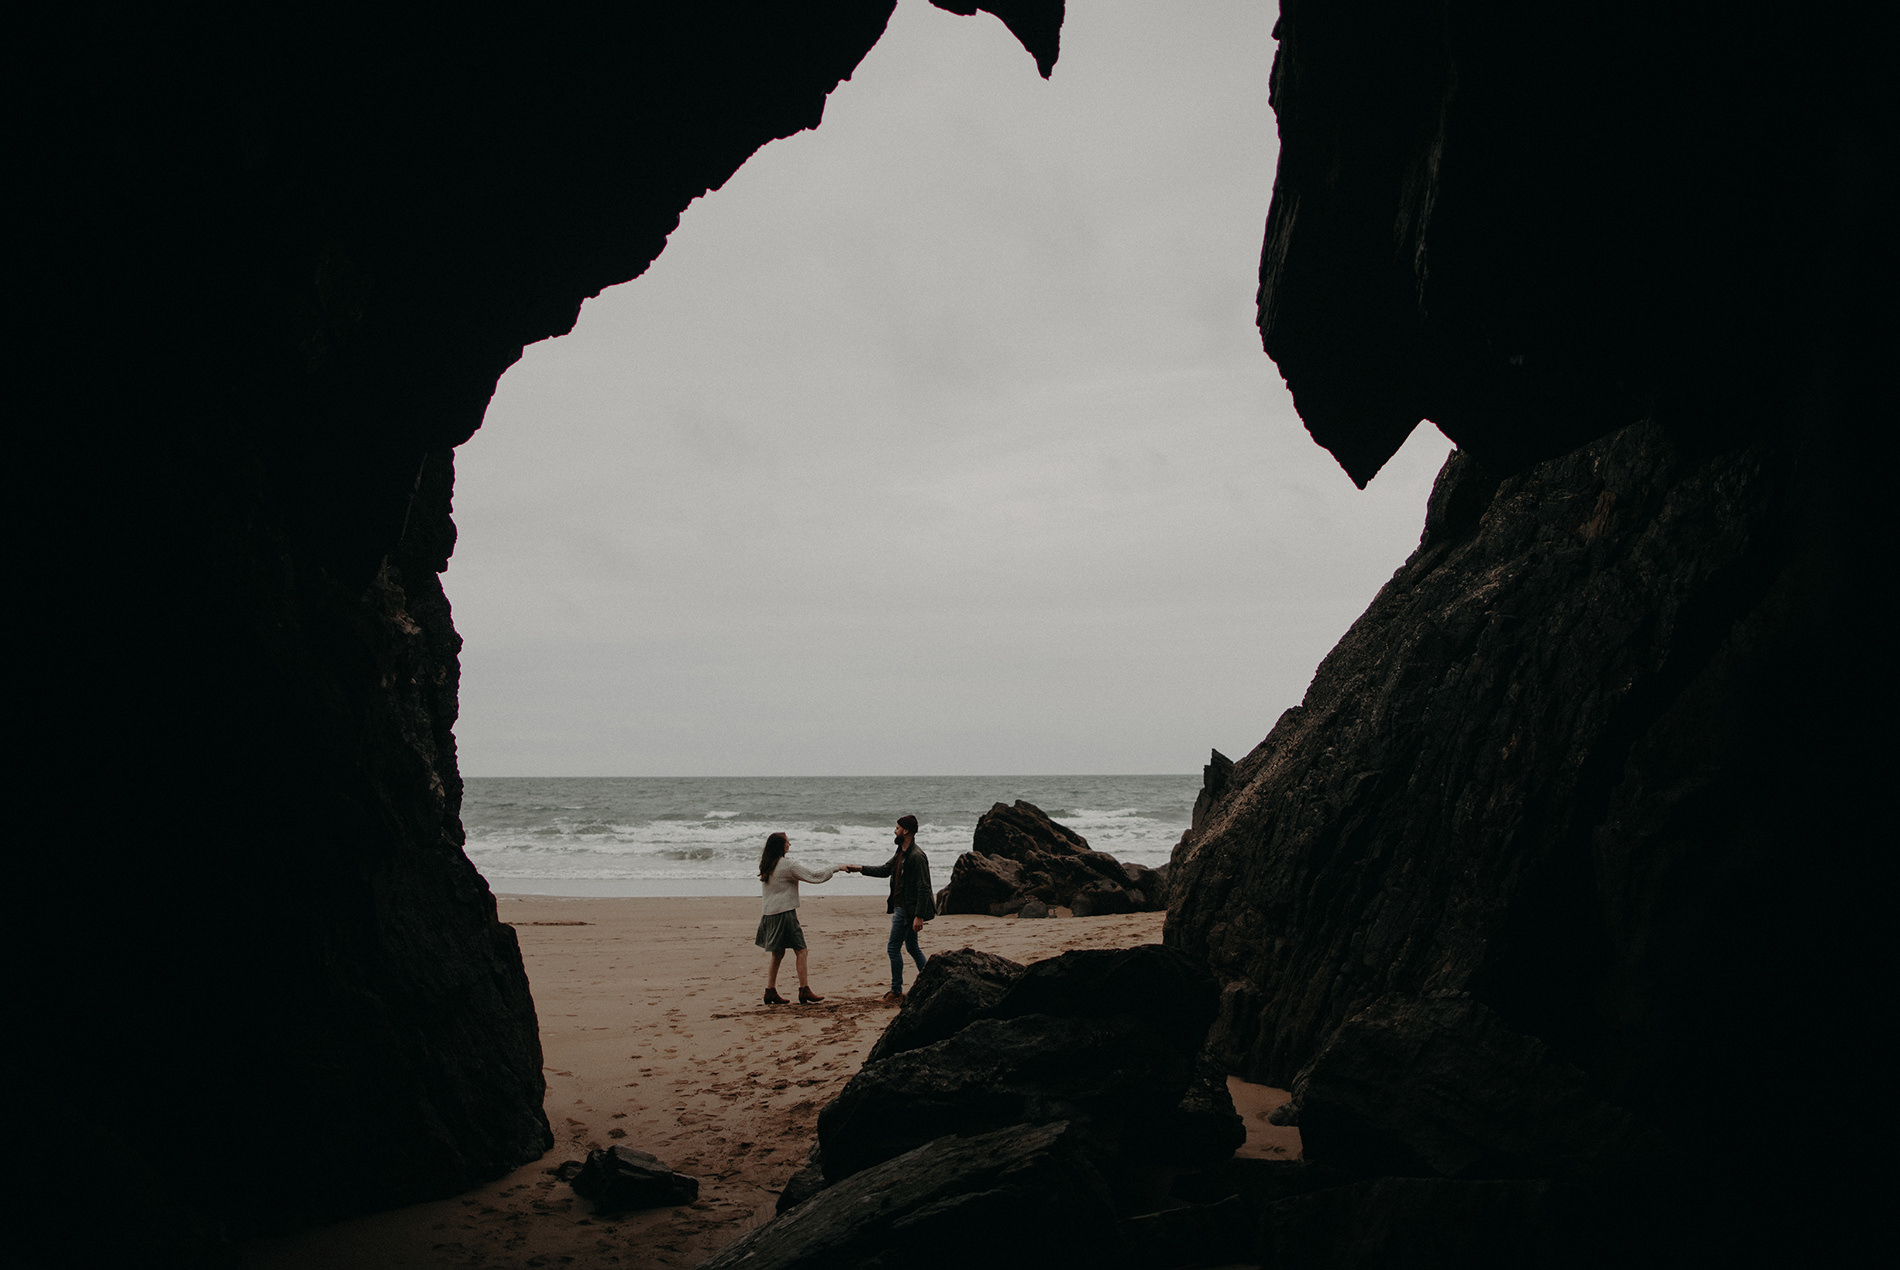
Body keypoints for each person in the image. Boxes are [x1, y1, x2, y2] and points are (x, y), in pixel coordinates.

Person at [756, 831, 844, 1005]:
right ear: (781, 846)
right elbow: (815, 876)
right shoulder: (787, 865)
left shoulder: (767, 864)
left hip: (768, 914)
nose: (789, 845)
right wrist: (837, 867)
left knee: (778, 953)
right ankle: (804, 989)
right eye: (788, 842)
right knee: (801, 950)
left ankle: (770, 990)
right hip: (784, 913)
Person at [856, 814, 936, 1003]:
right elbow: (885, 870)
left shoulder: (917, 856)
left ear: (906, 831)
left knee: (893, 948)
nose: (895, 831)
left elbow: (924, 888)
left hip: (907, 910)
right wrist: (860, 869)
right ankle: (932, 983)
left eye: (897, 828)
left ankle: (896, 990)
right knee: (912, 947)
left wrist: (919, 916)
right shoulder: (901, 852)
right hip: (902, 907)